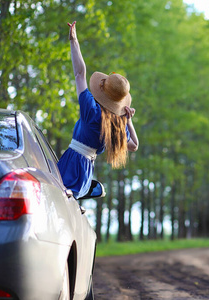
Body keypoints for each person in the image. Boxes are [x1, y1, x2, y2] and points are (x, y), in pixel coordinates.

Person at [57, 21, 139, 199]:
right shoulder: (117, 125)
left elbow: (80, 73)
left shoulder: (91, 111)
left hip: (71, 165)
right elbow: (134, 145)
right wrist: (129, 121)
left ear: (102, 90)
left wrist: (74, 41)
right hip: (86, 173)